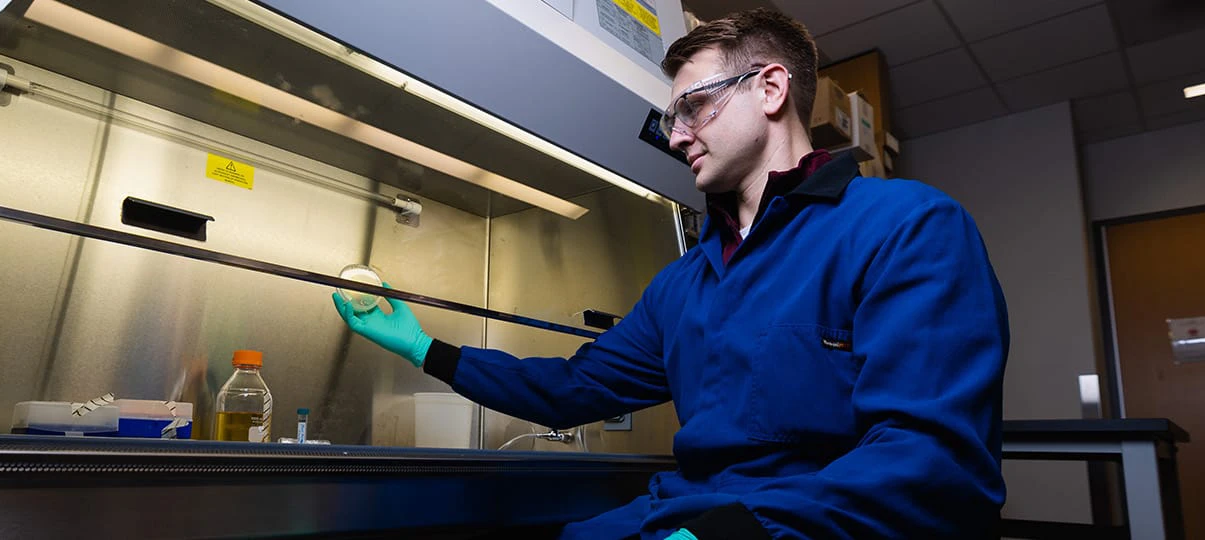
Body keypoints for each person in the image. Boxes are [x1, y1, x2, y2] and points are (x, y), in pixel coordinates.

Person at [332, 8, 1008, 539]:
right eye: (669, 118)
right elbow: (574, 387)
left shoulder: (905, 225)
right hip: (680, 517)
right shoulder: (683, 284)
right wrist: (425, 349)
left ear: (770, 88)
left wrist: (731, 534)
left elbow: (929, 465)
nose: (676, 136)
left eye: (692, 108)